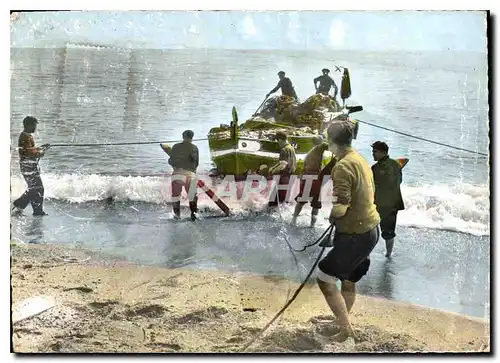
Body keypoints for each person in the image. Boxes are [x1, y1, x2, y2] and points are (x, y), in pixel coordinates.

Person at [316, 120, 381, 343]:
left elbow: (341, 206)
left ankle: (345, 328)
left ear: (330, 141)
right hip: (371, 229)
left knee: (324, 277)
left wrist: (333, 215)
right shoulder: (359, 158)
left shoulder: (342, 166)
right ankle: (342, 322)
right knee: (348, 278)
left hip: (356, 234)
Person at [371, 141, 405, 258]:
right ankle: (388, 254)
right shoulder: (396, 165)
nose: (373, 154)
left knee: (371, 228)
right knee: (389, 232)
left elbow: (372, 186)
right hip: (393, 203)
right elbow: (399, 181)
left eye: (375, 152)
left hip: (381, 204)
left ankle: (368, 252)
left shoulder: (375, 168)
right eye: (373, 151)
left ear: (383, 152)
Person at [12, 116, 50, 216]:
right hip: (27, 167)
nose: (35, 128)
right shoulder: (24, 136)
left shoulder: (27, 135)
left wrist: (41, 148)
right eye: (34, 125)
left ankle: (34, 210)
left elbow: (30, 150)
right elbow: (28, 153)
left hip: (29, 166)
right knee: (37, 188)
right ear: (28, 125)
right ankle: (23, 205)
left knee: (35, 188)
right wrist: (40, 153)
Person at [291, 137, 331, 227]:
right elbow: (325, 145)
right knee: (316, 203)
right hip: (315, 179)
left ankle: (294, 219)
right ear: (319, 142)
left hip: (307, 178)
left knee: (301, 200)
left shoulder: (309, 154)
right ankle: (312, 224)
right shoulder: (318, 148)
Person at [161, 130, 199, 221]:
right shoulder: (194, 148)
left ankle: (177, 215)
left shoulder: (176, 147)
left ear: (183, 136)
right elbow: (196, 163)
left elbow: (171, 161)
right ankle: (194, 215)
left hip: (177, 174)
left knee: (176, 196)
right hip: (190, 175)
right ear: (192, 137)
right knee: (192, 196)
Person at [267, 131, 297, 207]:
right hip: (290, 177)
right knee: (283, 202)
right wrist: (273, 167)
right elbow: (282, 162)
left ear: (280, 139)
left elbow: (283, 164)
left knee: (273, 203)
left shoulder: (284, 150)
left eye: (277, 140)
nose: (277, 142)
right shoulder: (291, 148)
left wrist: (273, 171)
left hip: (284, 179)